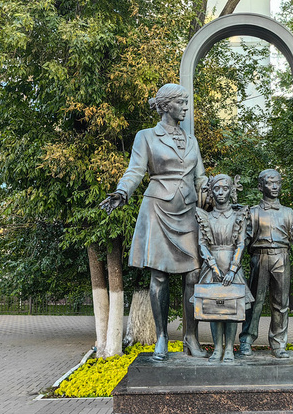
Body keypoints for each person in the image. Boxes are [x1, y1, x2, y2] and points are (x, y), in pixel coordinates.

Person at [99, 83, 207, 361]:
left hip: (188, 210)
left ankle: (191, 337)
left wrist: (217, 193)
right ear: (166, 105)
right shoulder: (146, 136)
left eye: (186, 102)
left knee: (194, 274)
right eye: (181, 102)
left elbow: (200, 177)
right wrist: (122, 191)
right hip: (158, 208)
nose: (185, 107)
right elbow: (135, 171)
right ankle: (161, 338)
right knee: (159, 275)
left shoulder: (192, 141)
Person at [239, 169, 293, 358]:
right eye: (270, 183)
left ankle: (278, 344)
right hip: (259, 257)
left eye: (277, 182)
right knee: (254, 302)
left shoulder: (288, 213)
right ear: (260, 186)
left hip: (282, 258)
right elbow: (243, 240)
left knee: (281, 303)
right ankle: (246, 340)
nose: (275, 186)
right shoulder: (253, 212)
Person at [194, 174, 253, 362]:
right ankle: (217, 348)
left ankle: (229, 349)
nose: (221, 192)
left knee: (231, 308)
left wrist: (233, 269)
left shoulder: (239, 215)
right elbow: (202, 244)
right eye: (217, 189)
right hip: (212, 267)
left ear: (231, 191)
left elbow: (241, 244)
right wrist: (213, 266)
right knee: (214, 309)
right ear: (211, 192)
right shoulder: (205, 217)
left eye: (225, 188)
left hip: (232, 266)